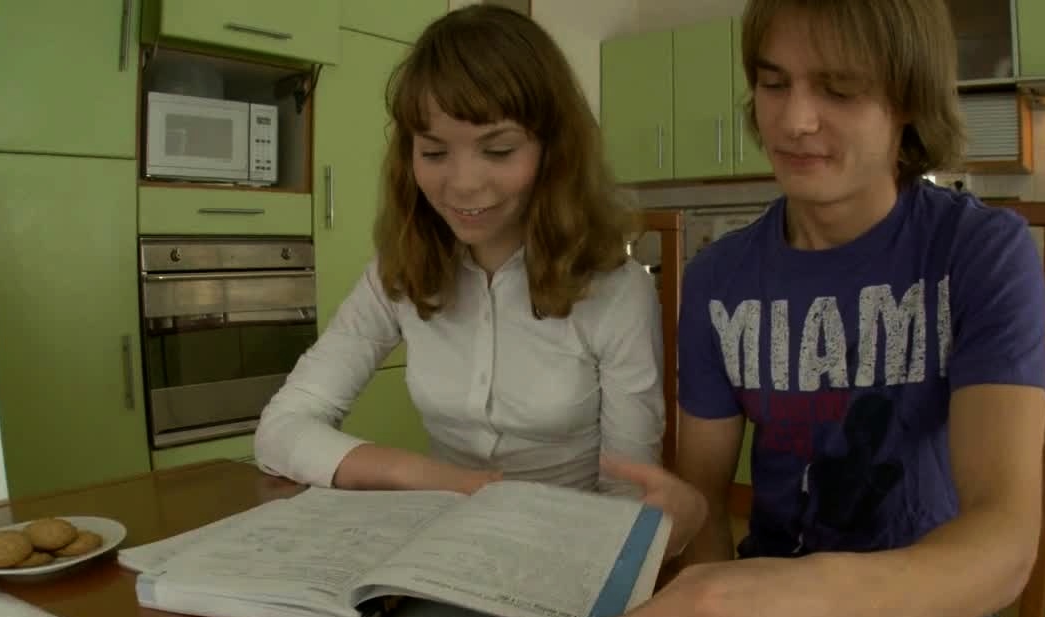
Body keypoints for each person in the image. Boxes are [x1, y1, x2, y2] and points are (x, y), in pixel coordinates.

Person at [590, 0, 1045, 617]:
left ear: (908, 99)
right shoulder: (717, 278)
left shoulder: (977, 250)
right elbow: (706, 499)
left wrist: (822, 602)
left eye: (838, 89)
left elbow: (1004, 540)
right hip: (767, 593)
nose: (794, 120)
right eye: (773, 83)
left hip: (929, 616)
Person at [253, 5, 706, 552]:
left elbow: (627, 492)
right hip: (445, 540)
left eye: (498, 150)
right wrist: (432, 478)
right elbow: (281, 430)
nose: (463, 184)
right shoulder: (398, 271)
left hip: (568, 547)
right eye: (434, 152)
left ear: (553, 151)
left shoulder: (616, 291)